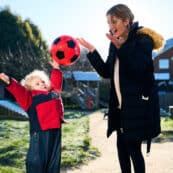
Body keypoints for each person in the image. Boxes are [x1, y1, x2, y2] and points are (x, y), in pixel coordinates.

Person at [77, 3, 164, 173]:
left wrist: (120, 48)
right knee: (121, 151)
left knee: (133, 150)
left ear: (126, 21)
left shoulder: (142, 40)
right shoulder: (114, 43)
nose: (110, 27)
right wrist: (92, 51)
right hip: (119, 108)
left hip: (137, 107)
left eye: (114, 21)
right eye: (108, 23)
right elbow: (106, 72)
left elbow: (138, 69)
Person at [0, 60, 65, 173]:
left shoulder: (52, 93)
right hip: (40, 134)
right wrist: (9, 82)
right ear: (30, 88)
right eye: (37, 84)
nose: (42, 84)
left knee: (53, 164)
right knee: (37, 163)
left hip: (55, 133)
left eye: (43, 81)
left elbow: (56, 85)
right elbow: (18, 90)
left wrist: (56, 69)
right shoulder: (29, 98)